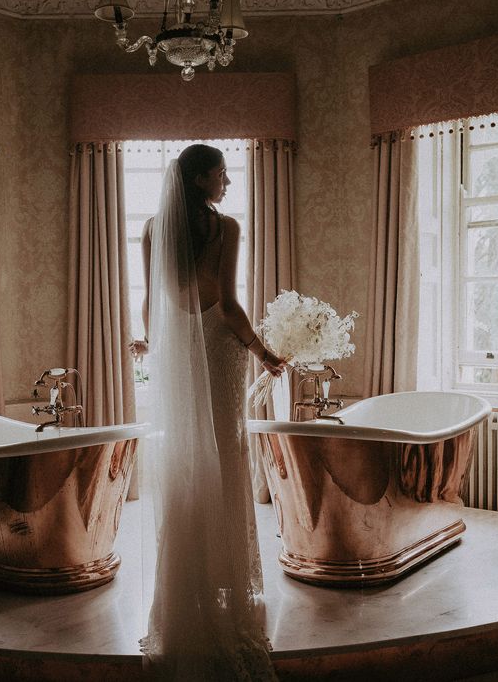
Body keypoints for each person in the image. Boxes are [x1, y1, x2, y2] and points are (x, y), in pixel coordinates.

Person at [131, 144, 285, 681]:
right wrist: (264, 352)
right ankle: (227, 582)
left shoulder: (153, 228)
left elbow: (152, 303)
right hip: (220, 345)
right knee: (227, 451)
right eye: (221, 174)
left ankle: (185, 585)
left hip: (177, 350)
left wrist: (154, 345)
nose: (227, 183)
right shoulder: (228, 228)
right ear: (200, 178)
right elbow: (228, 302)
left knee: (187, 456)